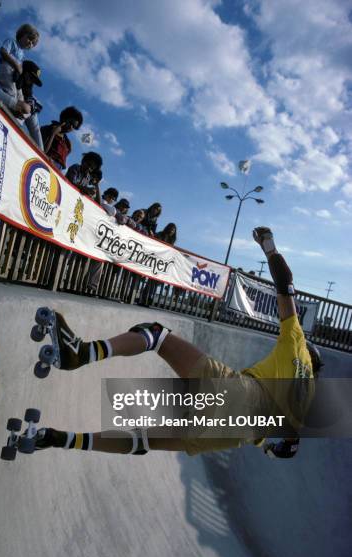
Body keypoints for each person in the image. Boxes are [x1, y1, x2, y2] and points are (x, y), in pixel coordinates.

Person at [30, 227, 323, 457]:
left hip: (239, 394)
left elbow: (286, 284)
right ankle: (60, 440)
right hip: (235, 435)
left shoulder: (296, 343)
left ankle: (81, 353)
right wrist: (270, 450)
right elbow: (289, 447)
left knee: (156, 335)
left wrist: (268, 245)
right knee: (143, 440)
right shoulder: (305, 402)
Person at [0, 23, 39, 120]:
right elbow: (3, 51)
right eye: (29, 39)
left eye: (32, 44)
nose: (30, 43)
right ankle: (11, 106)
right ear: (22, 34)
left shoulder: (22, 54)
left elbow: (20, 67)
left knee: (19, 93)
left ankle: (19, 109)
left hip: (14, 73)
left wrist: (19, 71)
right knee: (11, 91)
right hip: (7, 67)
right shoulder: (12, 42)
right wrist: (15, 64)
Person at [40, 106, 83, 170]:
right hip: (44, 165)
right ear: (64, 118)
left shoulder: (67, 142)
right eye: (70, 123)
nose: (71, 127)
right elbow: (41, 150)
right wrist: (53, 134)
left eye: (74, 127)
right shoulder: (47, 129)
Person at [15, 60, 44, 148]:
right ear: (26, 72)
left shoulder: (28, 89)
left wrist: (32, 106)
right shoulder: (15, 77)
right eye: (31, 77)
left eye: (34, 80)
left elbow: (36, 105)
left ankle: (41, 152)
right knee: (26, 111)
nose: (32, 81)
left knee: (32, 114)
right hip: (12, 107)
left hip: (21, 111)